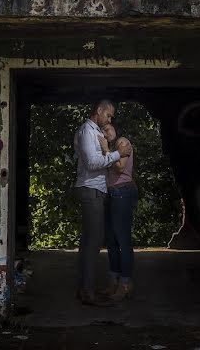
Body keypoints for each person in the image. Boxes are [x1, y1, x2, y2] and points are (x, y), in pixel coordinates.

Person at [73, 100, 131, 306]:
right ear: (99, 110)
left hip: (93, 189)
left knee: (88, 241)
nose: (110, 119)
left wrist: (110, 152)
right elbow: (92, 163)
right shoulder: (87, 131)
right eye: (108, 115)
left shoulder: (93, 131)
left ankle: (84, 287)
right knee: (94, 242)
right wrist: (118, 154)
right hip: (91, 190)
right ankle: (87, 292)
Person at [101, 123, 137, 302]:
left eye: (108, 129)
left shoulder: (123, 143)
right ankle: (114, 280)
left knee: (123, 239)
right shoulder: (109, 150)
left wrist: (107, 149)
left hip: (123, 192)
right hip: (111, 195)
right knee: (111, 240)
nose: (106, 133)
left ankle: (125, 283)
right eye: (102, 131)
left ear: (115, 129)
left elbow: (121, 167)